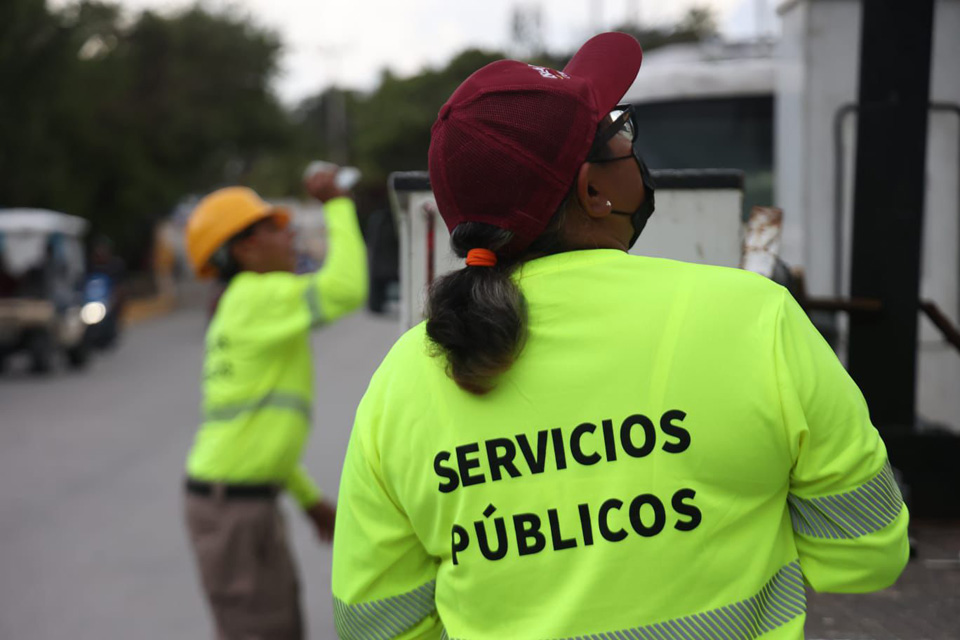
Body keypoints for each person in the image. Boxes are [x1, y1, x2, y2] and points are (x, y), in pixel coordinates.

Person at [330, 32, 909, 640]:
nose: (633, 149)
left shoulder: (404, 375)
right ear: (593, 190)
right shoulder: (755, 318)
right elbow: (865, 554)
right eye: (621, 134)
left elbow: (376, 625)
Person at [183, 170, 367, 639]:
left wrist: (307, 500)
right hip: (236, 508)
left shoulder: (245, 304)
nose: (290, 234)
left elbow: (259, 434)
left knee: (275, 627)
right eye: (274, 228)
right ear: (243, 248)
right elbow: (346, 289)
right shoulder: (257, 298)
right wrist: (337, 205)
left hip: (240, 501)